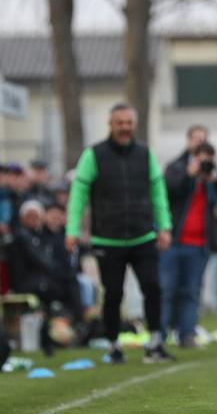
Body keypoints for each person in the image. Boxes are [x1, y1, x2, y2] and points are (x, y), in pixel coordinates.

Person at [66, 103, 174, 364]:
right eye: (119, 123)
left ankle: (156, 342)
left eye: (129, 122)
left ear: (134, 125)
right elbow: (78, 195)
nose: (124, 127)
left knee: (153, 288)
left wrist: (165, 226)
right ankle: (114, 345)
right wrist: (72, 230)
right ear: (110, 125)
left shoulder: (145, 154)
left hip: (143, 236)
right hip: (107, 238)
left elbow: (158, 192)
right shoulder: (93, 155)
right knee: (113, 293)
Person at [162, 140, 217, 347]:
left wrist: (215, 179)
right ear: (193, 157)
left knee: (192, 291)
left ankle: (187, 335)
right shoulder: (176, 169)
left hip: (199, 245)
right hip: (173, 242)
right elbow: (169, 190)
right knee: (166, 289)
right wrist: (190, 174)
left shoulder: (211, 179)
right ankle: (159, 334)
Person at [8, 201, 80, 355]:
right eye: (31, 217)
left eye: (37, 217)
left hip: (40, 279)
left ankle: (70, 325)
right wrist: (61, 273)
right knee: (66, 285)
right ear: (23, 218)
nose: (35, 220)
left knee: (71, 282)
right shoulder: (22, 236)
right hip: (26, 283)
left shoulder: (40, 236)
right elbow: (41, 261)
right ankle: (73, 324)